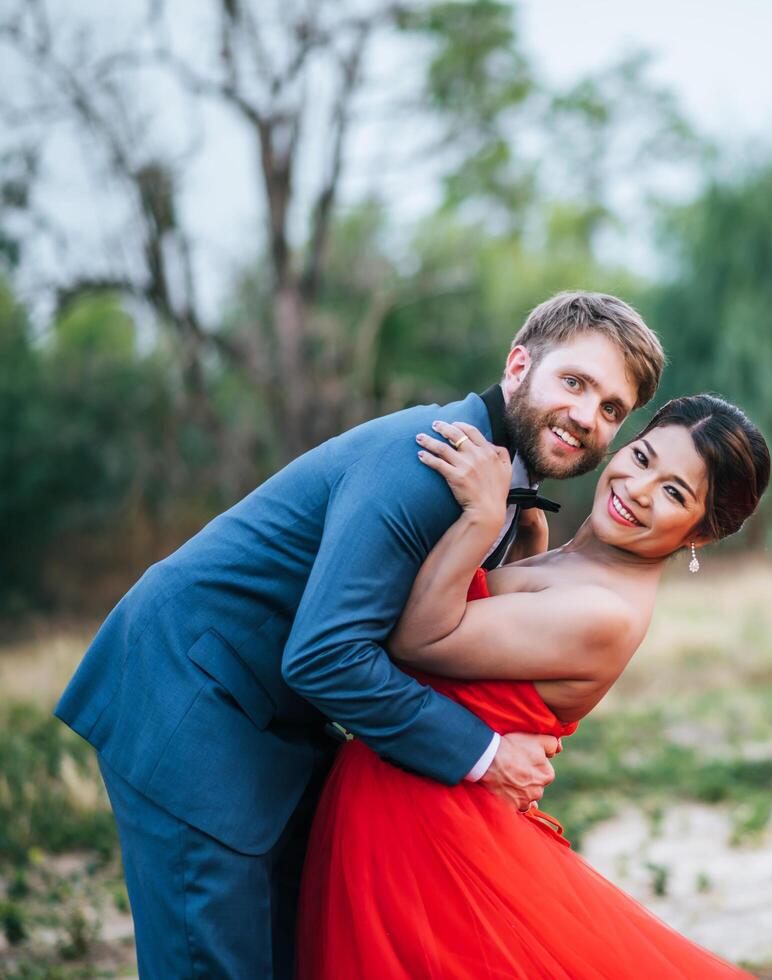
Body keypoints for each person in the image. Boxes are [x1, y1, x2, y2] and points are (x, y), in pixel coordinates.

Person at [53, 291, 665, 978]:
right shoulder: (430, 461)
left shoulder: (494, 492)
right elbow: (325, 656)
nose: (586, 416)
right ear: (518, 365)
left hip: (273, 719)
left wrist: (518, 543)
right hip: (190, 696)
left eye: (611, 409)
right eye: (575, 382)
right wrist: (485, 754)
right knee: (212, 966)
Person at [296, 394, 771, 978]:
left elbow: (416, 640)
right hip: (414, 812)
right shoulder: (582, 564)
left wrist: (479, 520)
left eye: (676, 493)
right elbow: (505, 664)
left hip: (425, 838)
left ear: (702, 533)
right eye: (643, 458)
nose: (639, 489)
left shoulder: (605, 611)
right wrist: (526, 539)